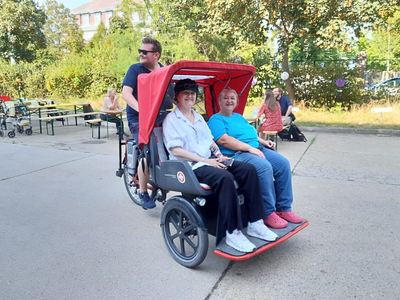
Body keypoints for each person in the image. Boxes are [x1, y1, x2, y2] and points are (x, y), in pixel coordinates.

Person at [162, 79, 278, 253]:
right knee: (226, 178)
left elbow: (211, 142)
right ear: (177, 96)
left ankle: (255, 222)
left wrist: (219, 156)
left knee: (248, 170)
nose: (190, 97)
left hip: (210, 159)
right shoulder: (171, 119)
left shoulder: (198, 117)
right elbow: (176, 150)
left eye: (192, 94)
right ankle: (232, 232)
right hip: (190, 165)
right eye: (185, 93)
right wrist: (207, 161)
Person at [208, 88, 303, 229]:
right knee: (264, 167)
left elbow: (251, 133)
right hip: (238, 153)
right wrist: (249, 148)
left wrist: (264, 142)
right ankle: (267, 212)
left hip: (257, 148)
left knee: (283, 164)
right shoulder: (216, 119)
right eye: (226, 98)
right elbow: (223, 140)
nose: (229, 101)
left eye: (232, 98)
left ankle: (283, 208)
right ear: (220, 101)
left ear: (236, 102)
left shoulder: (238, 117)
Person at [122, 37, 163, 210]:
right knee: (147, 148)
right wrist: (143, 110)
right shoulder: (135, 69)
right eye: (140, 51)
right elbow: (126, 94)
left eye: (144, 52)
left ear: (156, 55)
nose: (140, 53)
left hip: (160, 115)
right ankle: (143, 191)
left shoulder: (164, 70)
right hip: (138, 117)